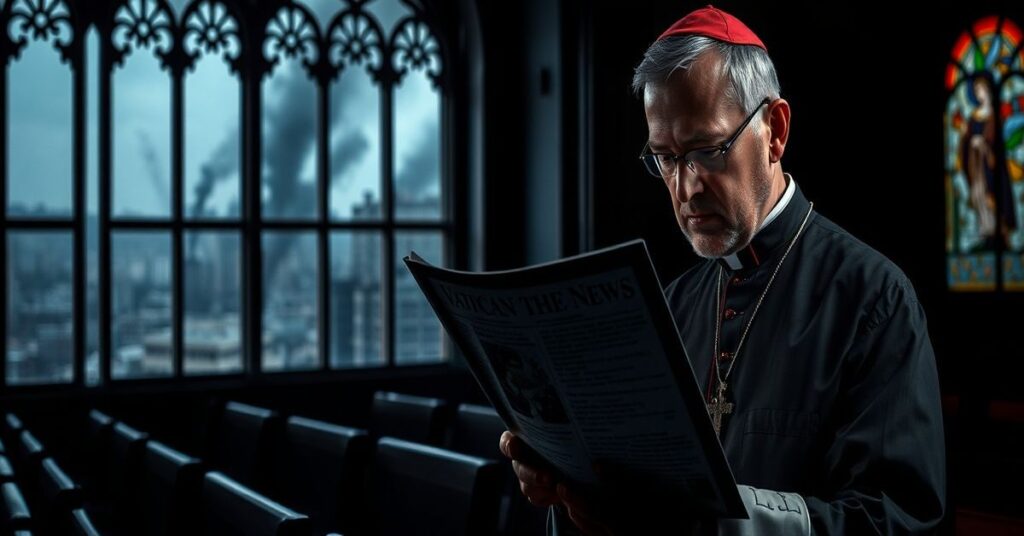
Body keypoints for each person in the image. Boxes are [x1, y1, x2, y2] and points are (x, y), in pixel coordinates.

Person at [499, 5, 946, 535]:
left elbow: (901, 522)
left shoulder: (875, 300)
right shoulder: (672, 304)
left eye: (707, 151)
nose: (686, 189)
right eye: (665, 158)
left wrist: (706, 521)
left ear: (775, 131)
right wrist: (571, 489)